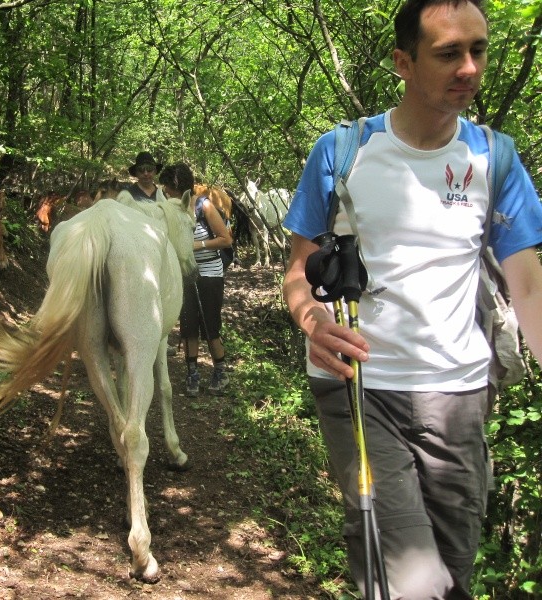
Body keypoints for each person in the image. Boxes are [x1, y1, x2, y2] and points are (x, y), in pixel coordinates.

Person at [282, 1, 542, 598]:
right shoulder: (343, 153)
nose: (470, 68)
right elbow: (297, 269)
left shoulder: (495, 159)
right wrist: (311, 316)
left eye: (478, 50)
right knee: (412, 581)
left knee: (454, 572)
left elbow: (526, 282)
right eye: (449, 53)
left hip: (461, 398)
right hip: (361, 387)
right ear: (404, 61)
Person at [159, 163, 234, 397]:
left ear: (178, 187)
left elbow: (226, 239)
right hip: (184, 275)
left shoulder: (204, 206)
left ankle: (220, 372)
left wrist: (195, 246)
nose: (164, 192)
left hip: (210, 274)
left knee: (210, 325)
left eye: (168, 188)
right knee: (189, 325)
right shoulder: (171, 209)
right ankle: (192, 373)